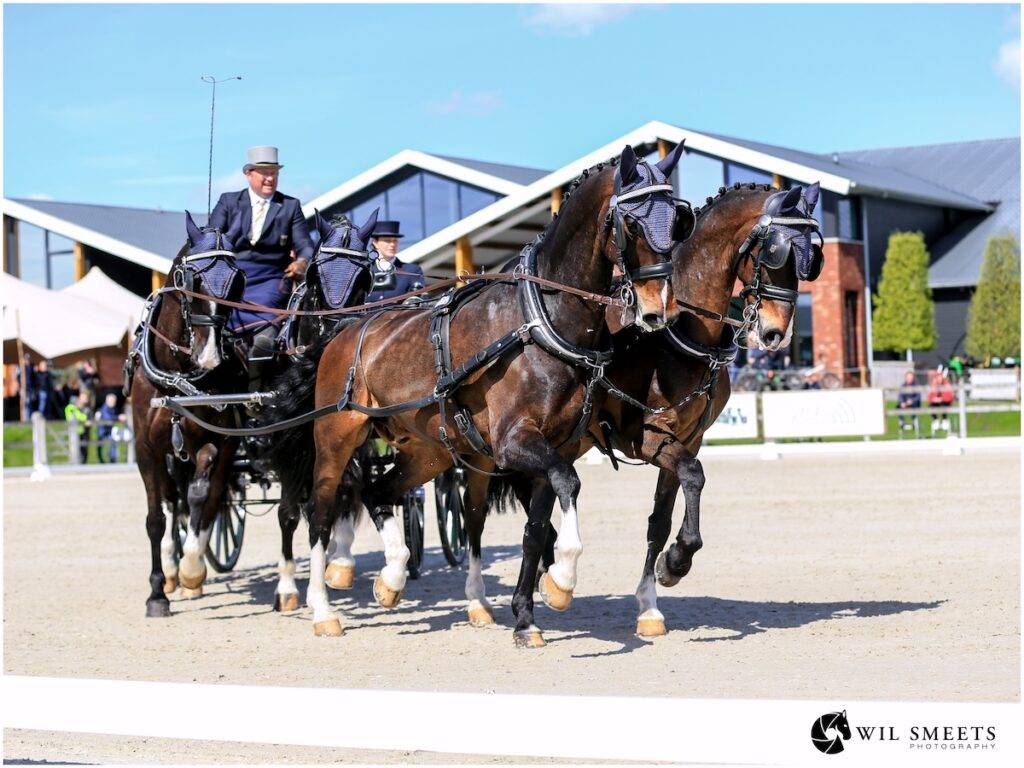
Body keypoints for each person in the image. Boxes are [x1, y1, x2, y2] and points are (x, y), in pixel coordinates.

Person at [207, 146, 314, 386]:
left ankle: (257, 378)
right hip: (231, 278)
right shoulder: (229, 201)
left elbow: (306, 246)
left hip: (271, 279)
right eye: (264, 173)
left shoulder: (290, 206)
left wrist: (301, 262)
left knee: (265, 333)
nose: (270, 179)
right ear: (249, 174)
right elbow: (211, 237)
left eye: (274, 173)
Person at [366, 220, 425, 303]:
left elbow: (419, 299)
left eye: (395, 241)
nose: (392, 244)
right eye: (387, 240)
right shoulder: (365, 270)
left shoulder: (412, 271)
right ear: (375, 243)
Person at [97, 393, 125, 463]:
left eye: (114, 401)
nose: (113, 402)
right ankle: (105, 460)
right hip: (103, 432)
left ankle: (112, 460)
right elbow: (107, 418)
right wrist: (118, 418)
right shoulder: (105, 408)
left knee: (112, 443)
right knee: (103, 446)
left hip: (110, 431)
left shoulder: (112, 409)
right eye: (112, 401)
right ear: (107, 401)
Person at [64, 391, 92, 463]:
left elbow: (89, 420)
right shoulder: (71, 408)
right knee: (75, 450)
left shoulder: (86, 408)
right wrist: (85, 420)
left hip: (83, 432)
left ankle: (83, 464)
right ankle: (75, 464)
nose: (86, 399)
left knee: (84, 450)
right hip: (74, 433)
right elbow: (79, 417)